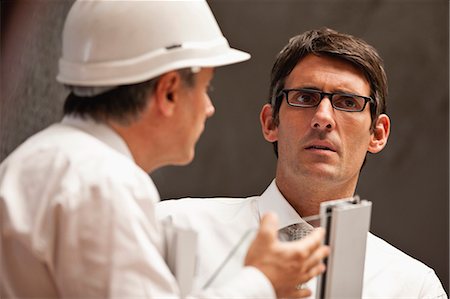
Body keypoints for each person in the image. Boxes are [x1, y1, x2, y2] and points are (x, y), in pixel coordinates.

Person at [0, 2, 329, 298]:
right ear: (169, 91)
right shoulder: (103, 183)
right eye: (205, 88)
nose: (209, 107)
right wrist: (263, 281)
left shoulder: (39, 161)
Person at [157, 28, 448, 298]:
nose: (323, 117)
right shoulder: (171, 228)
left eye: (347, 102)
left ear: (378, 134)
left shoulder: (414, 288)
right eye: (305, 97)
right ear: (271, 122)